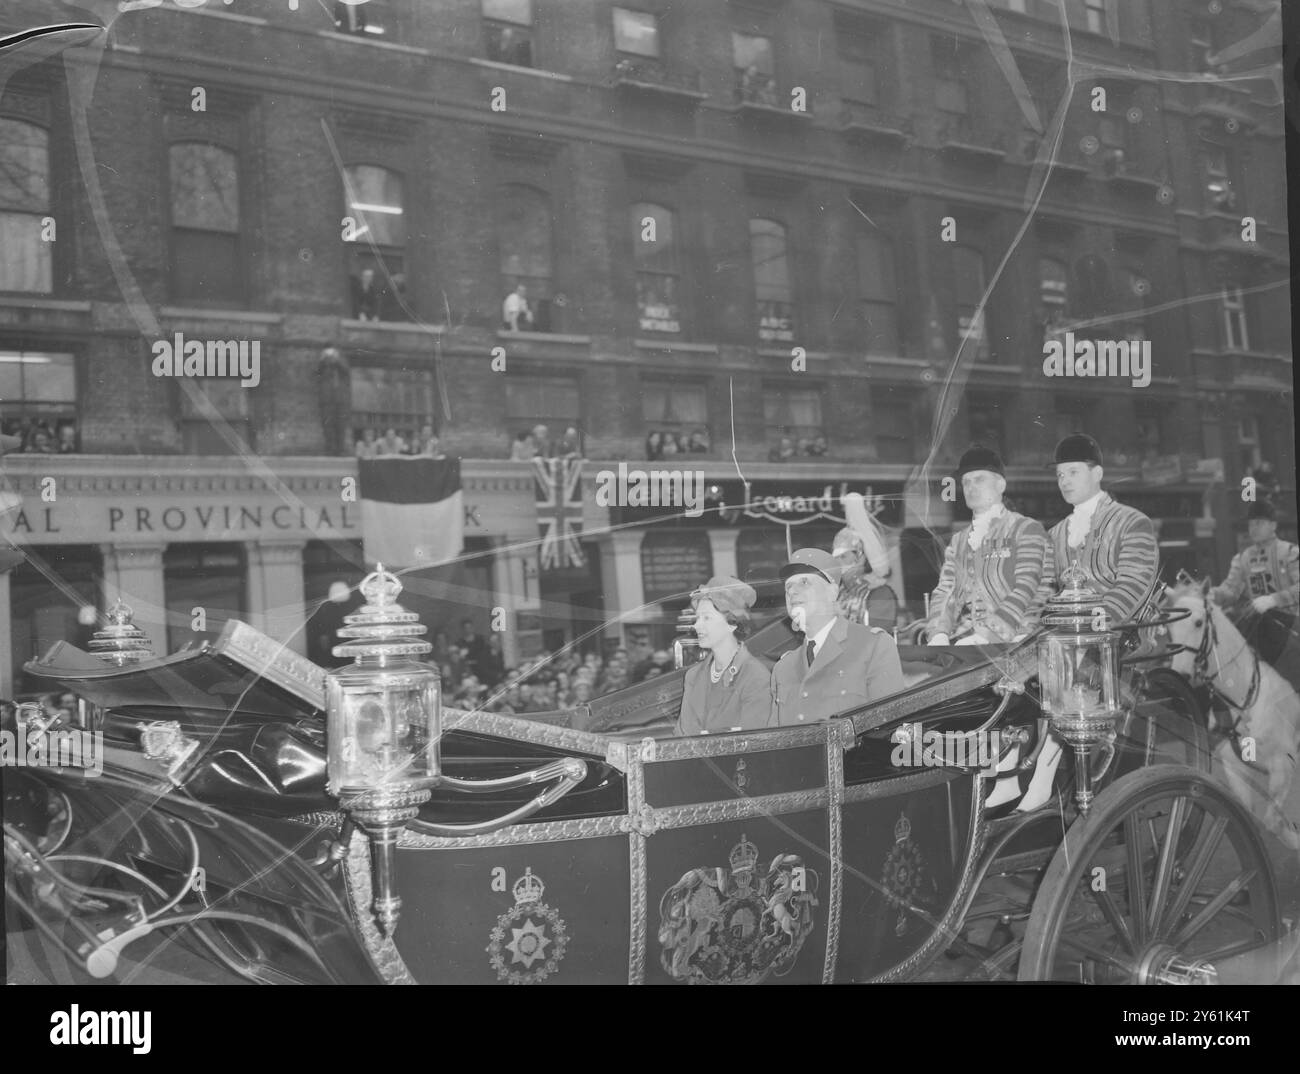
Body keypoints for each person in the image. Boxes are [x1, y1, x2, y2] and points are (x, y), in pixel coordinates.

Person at [922, 446, 1050, 645]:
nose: (971, 488)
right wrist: (939, 633)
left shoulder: (1026, 529)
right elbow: (946, 590)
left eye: (979, 479)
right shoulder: (959, 541)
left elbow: (1026, 587)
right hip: (971, 644)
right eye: (966, 482)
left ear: (1000, 485)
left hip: (1021, 642)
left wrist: (988, 635)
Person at [771, 548, 905, 726]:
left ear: (832, 592)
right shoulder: (783, 668)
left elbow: (890, 729)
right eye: (788, 586)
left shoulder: (873, 646)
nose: (792, 591)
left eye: (804, 582)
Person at [1046, 434, 1159, 628]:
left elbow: (1132, 586)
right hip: (1068, 642)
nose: (1064, 482)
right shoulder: (1054, 534)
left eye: (1073, 472)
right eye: (1060, 475)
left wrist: (1091, 626)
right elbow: (1045, 591)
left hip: (1122, 643)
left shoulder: (1132, 522)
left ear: (1097, 474)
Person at [677, 576, 772, 735]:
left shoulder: (756, 677)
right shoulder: (693, 676)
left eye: (706, 617)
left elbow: (754, 743)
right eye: (697, 618)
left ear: (732, 623)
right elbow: (682, 736)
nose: (696, 625)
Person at [1209, 498, 1299, 666]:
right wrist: (1213, 594)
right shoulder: (1243, 558)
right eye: (1251, 524)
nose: (1253, 528)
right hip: (1260, 630)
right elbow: (1231, 591)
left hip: (1292, 630)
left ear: (1273, 525)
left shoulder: (1290, 552)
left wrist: (1273, 600)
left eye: (1259, 523)